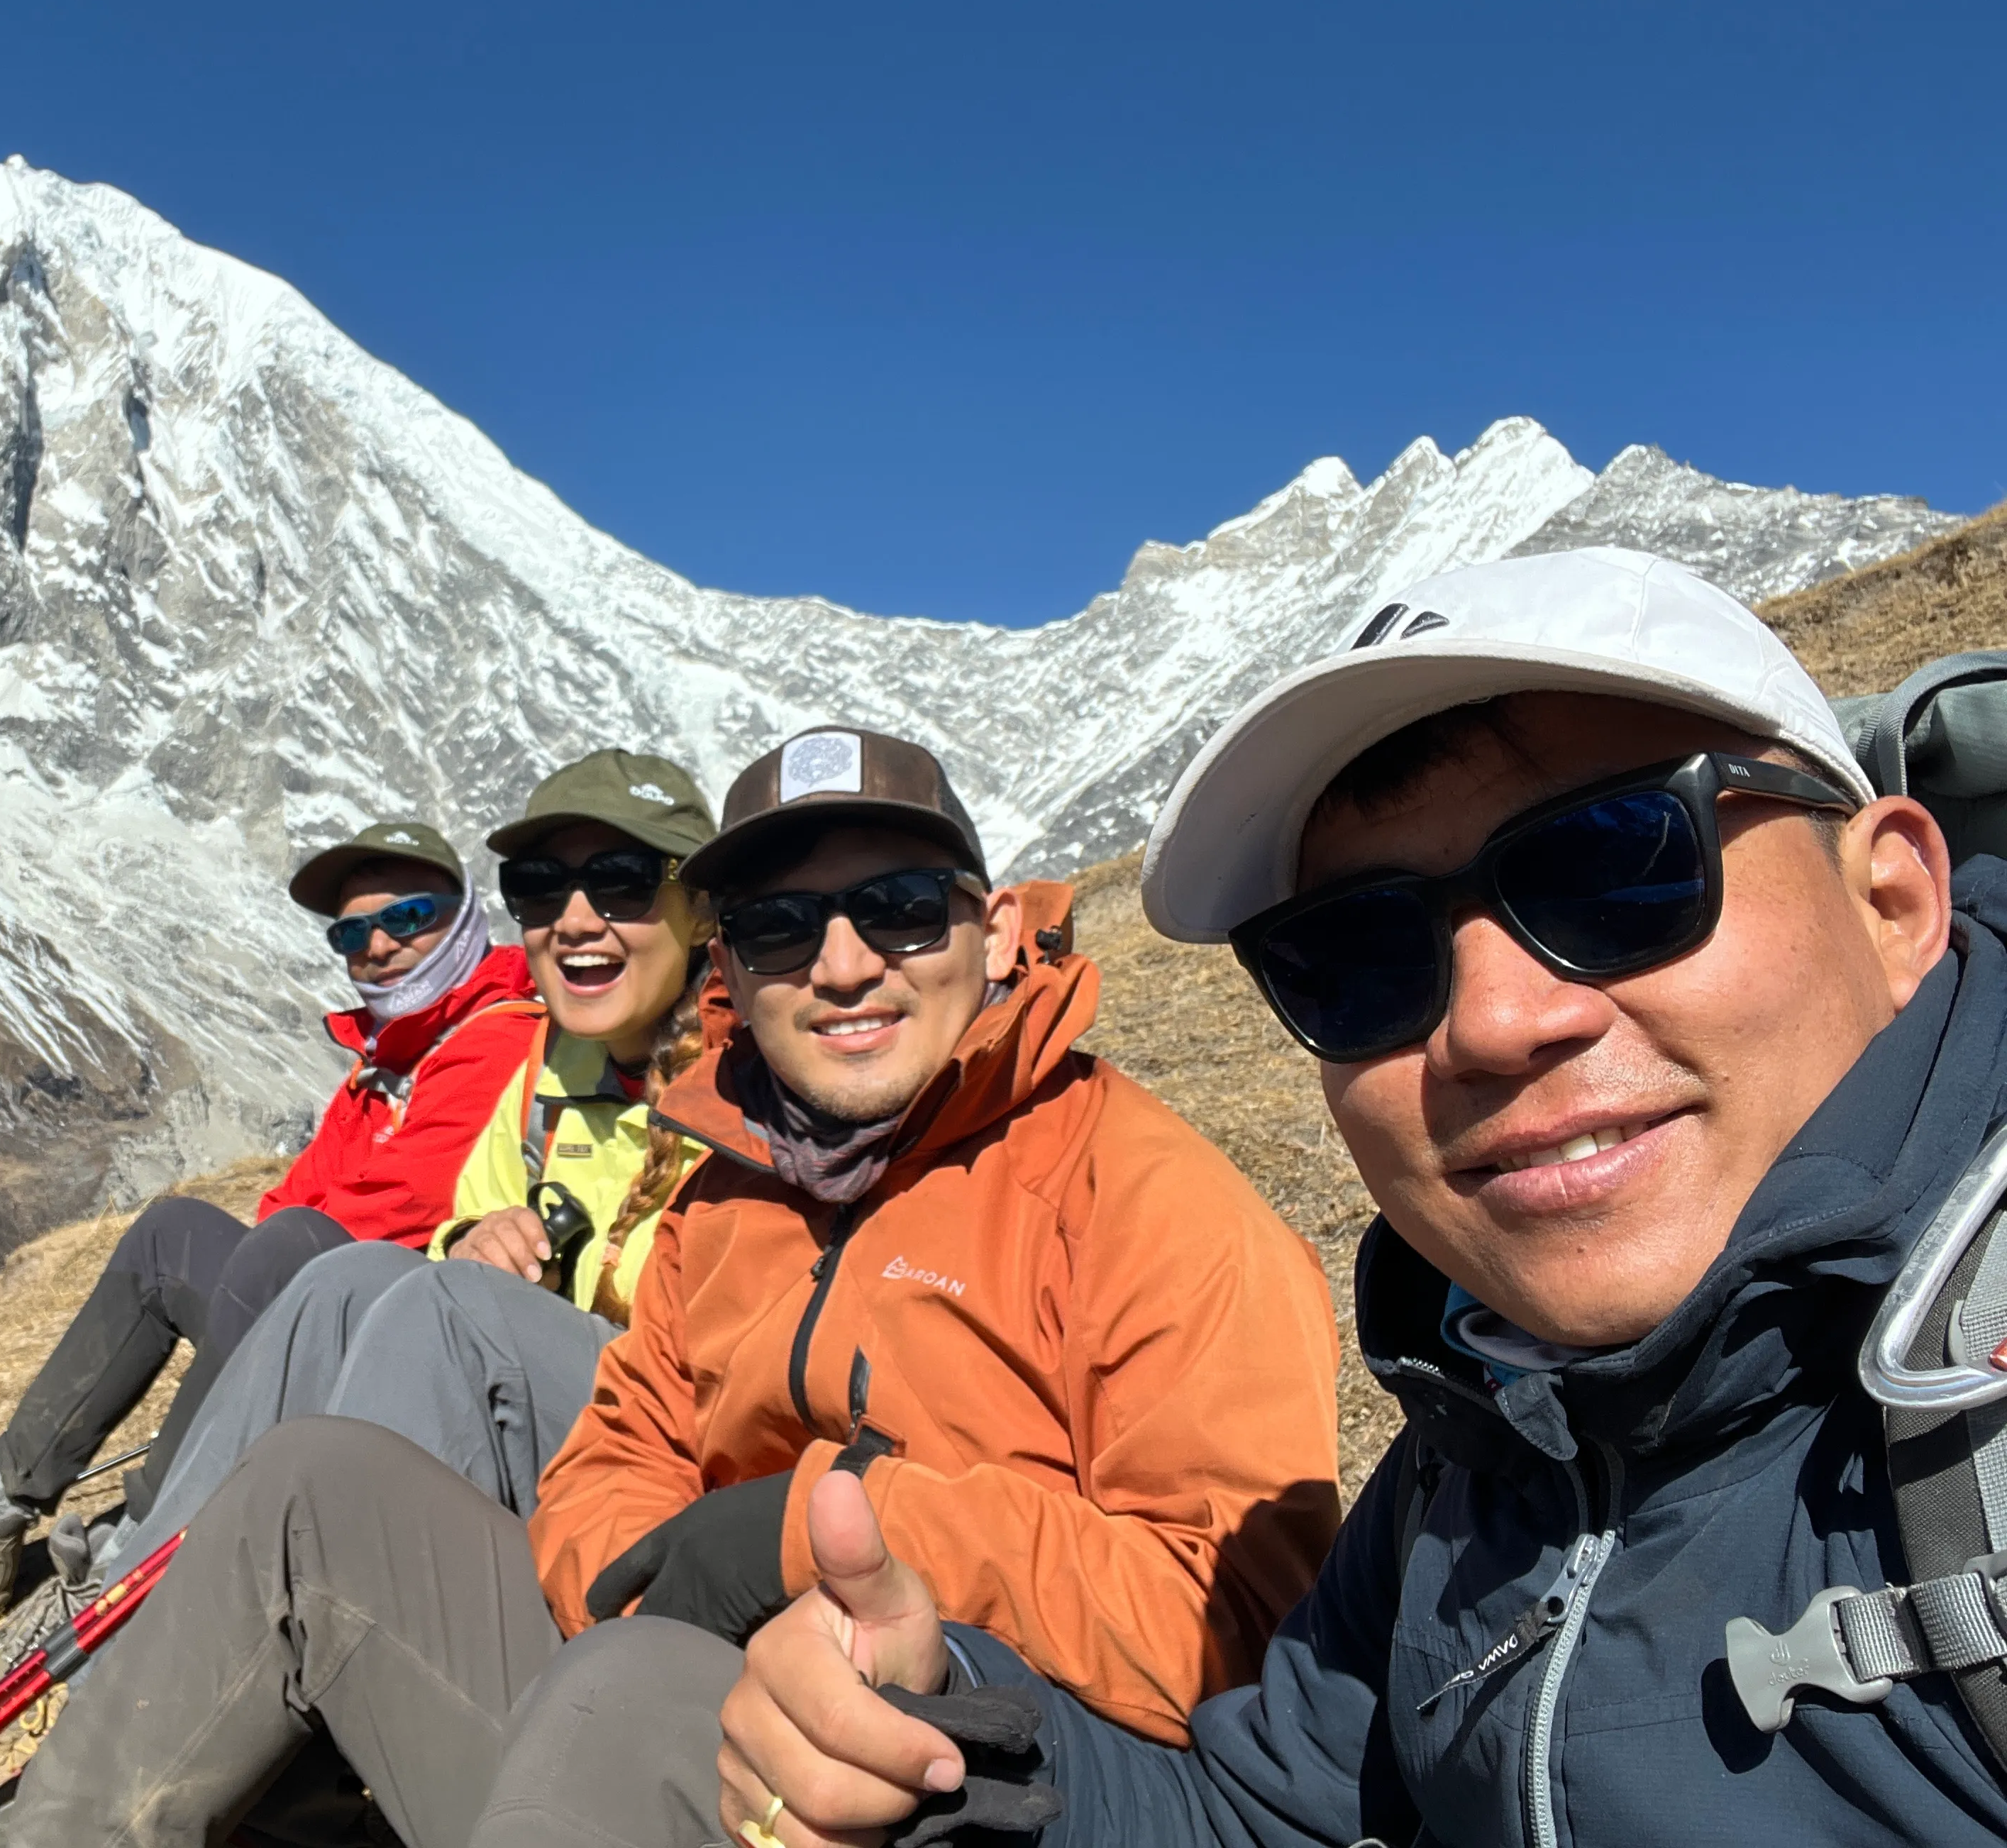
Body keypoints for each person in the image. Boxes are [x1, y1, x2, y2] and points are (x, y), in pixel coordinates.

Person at [718, 546, 2007, 1847]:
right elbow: (1267, 1816)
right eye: (1356, 952)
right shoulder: (1478, 1438)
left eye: (1617, 869)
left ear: (1892, 899)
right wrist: (948, 1731)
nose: (1492, 1021)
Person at [0, 727, 1344, 1848]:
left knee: (634, 1684)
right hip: (660, 1707)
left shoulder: (1137, 1190)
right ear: (731, 970)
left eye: (896, 906)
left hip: (924, 1768)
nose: (840, 961)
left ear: (991, 931)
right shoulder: (731, 1187)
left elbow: (1234, 1624)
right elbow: (605, 1459)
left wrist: (835, 1528)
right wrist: (651, 1588)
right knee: (311, 1487)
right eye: (773, 925)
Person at [0, 748, 720, 1723]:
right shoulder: (532, 1058)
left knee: (324, 1265)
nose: (577, 917)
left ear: (702, 906)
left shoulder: (572, 1045)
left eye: (624, 880)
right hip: (511, 1370)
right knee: (311, 1269)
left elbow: (363, 1215)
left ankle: (196, 1631)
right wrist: (471, 1238)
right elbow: (409, 1209)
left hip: (637, 1428)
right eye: (542, 886)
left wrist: (458, 1270)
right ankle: (129, 1597)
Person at [0, 819, 541, 1622]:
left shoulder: (498, 1041)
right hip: (331, 1294)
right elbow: (291, 1198)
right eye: (352, 932)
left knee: (288, 1250)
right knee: (175, 1234)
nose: (378, 947)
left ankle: (144, 1549)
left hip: (395, 1332)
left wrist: (289, 1249)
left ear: (464, 916)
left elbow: (402, 1211)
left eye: (405, 918)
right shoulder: (389, 1060)